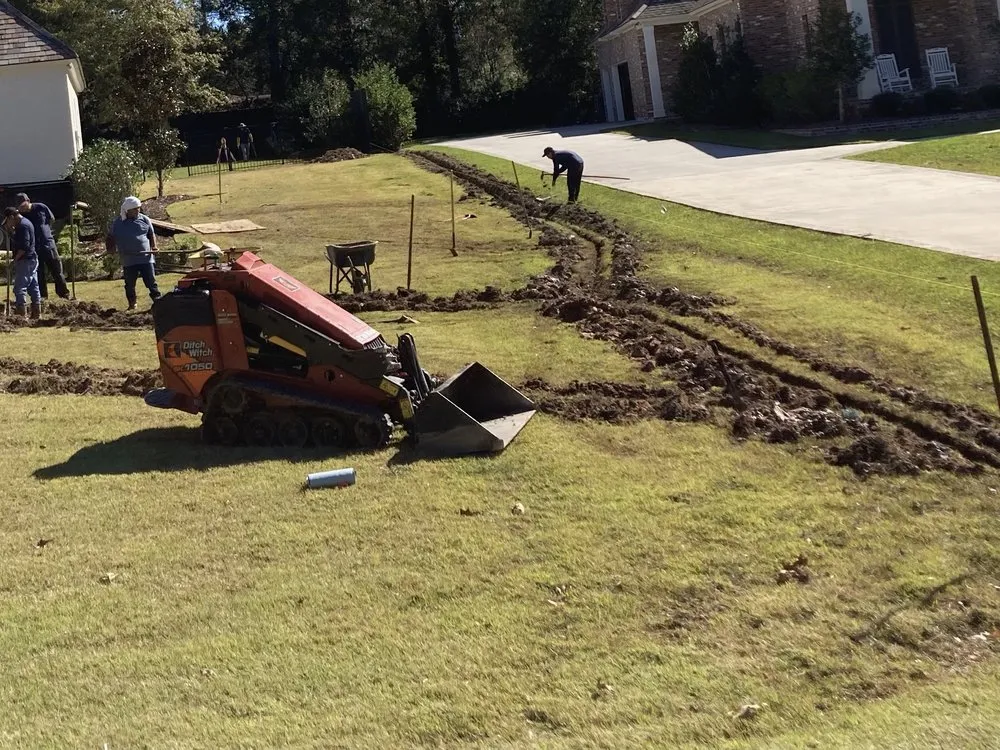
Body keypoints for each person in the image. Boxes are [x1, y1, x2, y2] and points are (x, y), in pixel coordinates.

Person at [105, 196, 161, 311]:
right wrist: (111, 248)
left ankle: (158, 301)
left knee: (151, 282)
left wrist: (154, 247)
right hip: (129, 259)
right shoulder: (118, 223)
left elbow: (151, 234)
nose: (138, 211)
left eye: (138, 208)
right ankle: (132, 303)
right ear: (128, 210)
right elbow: (110, 237)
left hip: (145, 258)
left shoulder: (144, 219)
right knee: (129, 284)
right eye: (135, 209)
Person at [16, 193, 70, 301]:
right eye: (19, 206)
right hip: (35, 247)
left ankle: (64, 294)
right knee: (39, 273)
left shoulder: (41, 207)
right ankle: (43, 296)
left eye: (23, 205)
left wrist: (46, 232)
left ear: (28, 201)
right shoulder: (22, 217)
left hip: (48, 244)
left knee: (57, 270)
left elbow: (51, 219)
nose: (22, 208)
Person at [3, 206, 41, 318]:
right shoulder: (25, 223)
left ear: (11, 217)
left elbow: (24, 247)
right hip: (31, 259)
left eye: (8, 220)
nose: (9, 223)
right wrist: (12, 232)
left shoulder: (23, 226)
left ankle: (21, 315)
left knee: (19, 288)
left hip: (25, 260)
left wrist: (14, 261)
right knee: (33, 286)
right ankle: (36, 313)